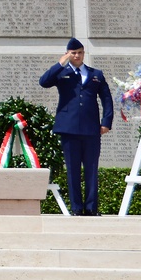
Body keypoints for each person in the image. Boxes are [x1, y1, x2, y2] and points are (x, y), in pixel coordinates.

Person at [39, 37, 113, 216]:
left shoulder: (95, 74)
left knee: (91, 168)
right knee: (72, 169)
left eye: (80, 52)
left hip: (91, 128)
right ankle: (77, 208)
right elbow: (44, 82)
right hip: (69, 127)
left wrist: (106, 122)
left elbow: (107, 99)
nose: (77, 56)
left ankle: (91, 207)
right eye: (73, 53)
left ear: (83, 53)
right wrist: (60, 63)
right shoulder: (62, 73)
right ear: (68, 54)